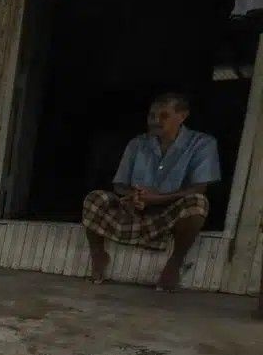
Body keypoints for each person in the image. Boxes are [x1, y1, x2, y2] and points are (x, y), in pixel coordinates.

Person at [82, 93, 220, 290]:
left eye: (164, 116)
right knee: (94, 199)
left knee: (198, 203)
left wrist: (157, 199)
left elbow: (199, 188)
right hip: (134, 210)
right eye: (152, 116)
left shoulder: (202, 144)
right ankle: (98, 254)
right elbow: (119, 185)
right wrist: (133, 195)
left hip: (168, 214)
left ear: (182, 116)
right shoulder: (137, 144)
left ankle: (175, 263)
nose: (156, 121)